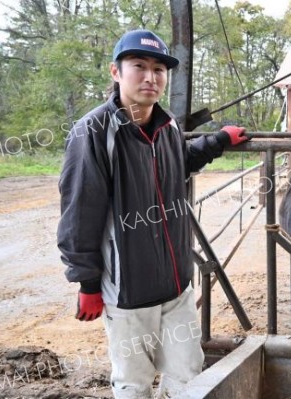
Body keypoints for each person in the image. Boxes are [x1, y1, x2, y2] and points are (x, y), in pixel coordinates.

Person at [57, 28, 249, 399]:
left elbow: (181, 162)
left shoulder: (167, 124)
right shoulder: (94, 132)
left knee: (189, 374)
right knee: (134, 383)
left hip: (176, 285)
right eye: (139, 66)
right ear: (116, 72)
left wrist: (219, 141)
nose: (151, 77)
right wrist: (88, 283)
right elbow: (80, 212)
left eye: (159, 69)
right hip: (127, 293)